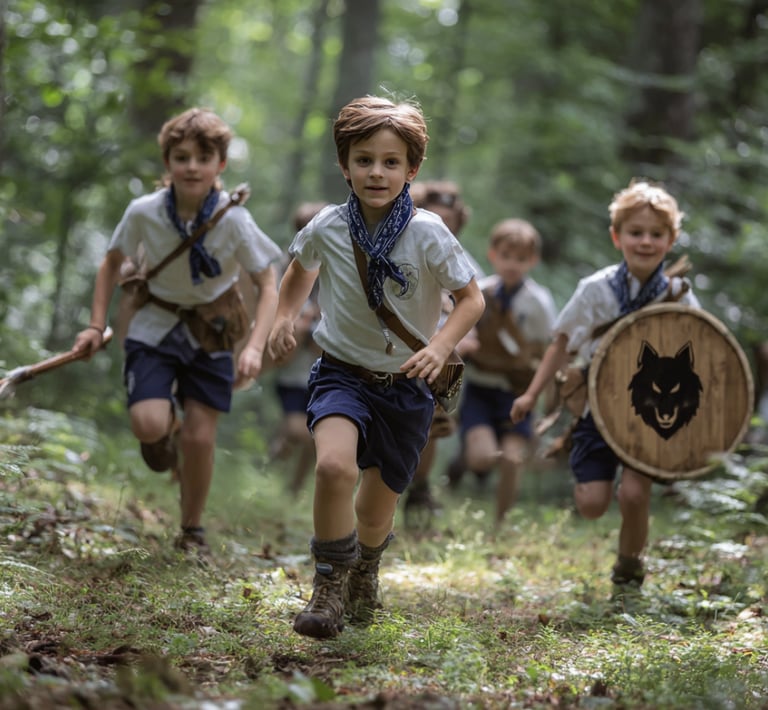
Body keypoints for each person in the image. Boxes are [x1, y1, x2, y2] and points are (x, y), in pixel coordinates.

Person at [267, 96, 485, 638]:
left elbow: (472, 299)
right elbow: (299, 270)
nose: (376, 172)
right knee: (333, 468)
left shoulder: (429, 232)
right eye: (364, 160)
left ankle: (365, 568)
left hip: (406, 387)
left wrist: (440, 346)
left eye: (391, 162)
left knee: (373, 511)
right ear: (344, 165)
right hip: (340, 373)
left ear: (412, 169)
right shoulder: (328, 224)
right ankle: (327, 586)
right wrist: (284, 316)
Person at [72, 107, 282, 557]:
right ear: (167, 162)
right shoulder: (144, 212)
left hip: (214, 331)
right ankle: (164, 430)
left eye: (203, 158)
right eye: (182, 157)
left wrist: (254, 347)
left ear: (220, 164)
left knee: (200, 438)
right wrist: (95, 325)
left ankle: (191, 530)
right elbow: (111, 263)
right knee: (146, 423)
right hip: (154, 324)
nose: (192, 167)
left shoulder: (234, 220)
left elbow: (268, 282)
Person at [510, 178, 699, 594]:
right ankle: (590, 475)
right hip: (598, 405)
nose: (645, 241)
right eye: (636, 232)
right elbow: (561, 342)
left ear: (670, 240)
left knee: (633, 494)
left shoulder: (679, 295)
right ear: (617, 236)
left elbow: (703, 350)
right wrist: (532, 393)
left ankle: (629, 568)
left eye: (656, 234)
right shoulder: (595, 290)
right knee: (593, 504)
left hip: (650, 413)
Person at [461, 218, 557, 526]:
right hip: (480, 388)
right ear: (493, 255)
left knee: (512, 460)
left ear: (533, 261)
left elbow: (549, 350)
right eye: (506, 256)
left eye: (521, 258)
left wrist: (545, 398)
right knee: (481, 458)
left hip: (516, 392)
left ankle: (499, 525)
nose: (512, 264)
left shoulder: (539, 302)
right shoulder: (480, 293)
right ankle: (466, 463)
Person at [403, 180, 483, 521]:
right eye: (433, 216)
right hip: (394, 353)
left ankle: (419, 491)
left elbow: (472, 323)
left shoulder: (466, 266)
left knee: (430, 428)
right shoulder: (400, 251)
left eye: (447, 220)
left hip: (438, 362)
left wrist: (452, 344)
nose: (440, 226)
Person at [268, 202, 326, 493]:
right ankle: (277, 451)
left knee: (316, 438)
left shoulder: (337, 268)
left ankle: (295, 488)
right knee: (297, 430)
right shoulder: (286, 268)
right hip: (292, 374)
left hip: (323, 374)